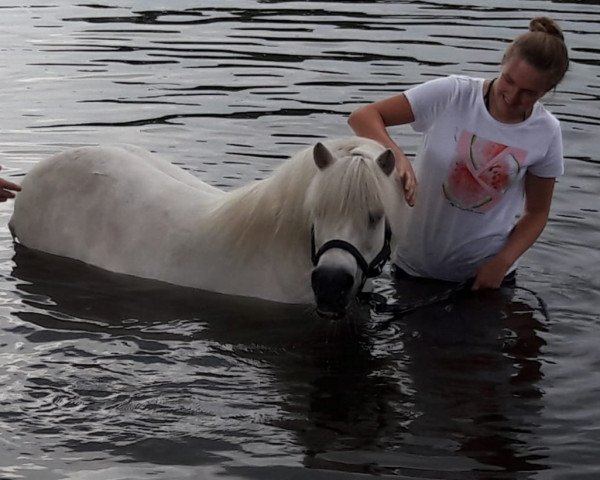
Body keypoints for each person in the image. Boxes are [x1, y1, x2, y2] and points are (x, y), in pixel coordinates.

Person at [348, 17, 569, 291]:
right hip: (413, 269)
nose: (512, 97)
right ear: (502, 63)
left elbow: (536, 212)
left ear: (547, 91)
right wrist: (397, 157)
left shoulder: (546, 132)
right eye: (508, 81)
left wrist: (501, 263)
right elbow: (364, 116)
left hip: (484, 280)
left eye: (528, 93)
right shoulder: (453, 94)